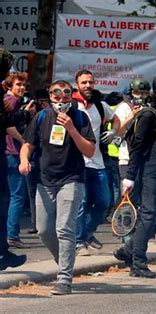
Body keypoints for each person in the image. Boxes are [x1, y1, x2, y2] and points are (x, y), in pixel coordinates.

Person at [19, 80, 95, 295]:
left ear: (71, 96)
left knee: (65, 229)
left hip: (71, 179)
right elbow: (27, 144)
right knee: (43, 230)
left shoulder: (80, 117)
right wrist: (24, 160)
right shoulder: (42, 116)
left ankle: (64, 279)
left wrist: (71, 128)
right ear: (50, 97)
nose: (61, 101)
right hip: (44, 180)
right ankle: (64, 260)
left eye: (65, 96)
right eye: (56, 96)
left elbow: (89, 151)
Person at [114, 73, 156, 278]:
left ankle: (128, 250)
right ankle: (138, 264)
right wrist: (130, 176)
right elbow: (138, 147)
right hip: (149, 172)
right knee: (149, 215)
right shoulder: (148, 115)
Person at [72, 70, 120, 256]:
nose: (88, 86)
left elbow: (115, 119)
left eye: (90, 82)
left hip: (98, 162)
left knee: (104, 202)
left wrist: (114, 131)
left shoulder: (100, 105)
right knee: (82, 203)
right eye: (84, 82)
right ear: (77, 84)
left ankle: (88, 233)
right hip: (78, 163)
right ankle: (79, 241)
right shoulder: (72, 105)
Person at [0, 48, 31, 271]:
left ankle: (3, 250)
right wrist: (26, 115)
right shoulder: (9, 100)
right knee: (8, 199)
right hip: (8, 154)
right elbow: (6, 122)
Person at [26, 89, 51, 234]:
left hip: (44, 158)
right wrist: (27, 112)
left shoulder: (48, 114)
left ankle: (42, 223)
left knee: (44, 192)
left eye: (44, 100)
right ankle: (35, 223)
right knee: (32, 193)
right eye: (39, 100)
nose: (41, 103)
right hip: (32, 157)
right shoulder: (31, 113)